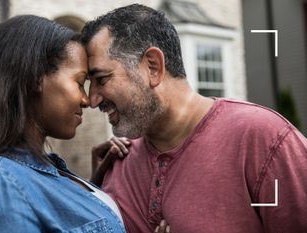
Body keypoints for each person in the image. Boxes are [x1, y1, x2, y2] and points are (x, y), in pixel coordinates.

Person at [82, 4, 307, 233]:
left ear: (153, 67)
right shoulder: (115, 163)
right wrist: (93, 190)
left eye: (101, 79)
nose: (92, 100)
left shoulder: (262, 139)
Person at [0, 15, 130, 233]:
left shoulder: (45, 171)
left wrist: (90, 189)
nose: (87, 100)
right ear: (35, 77)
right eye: (80, 83)